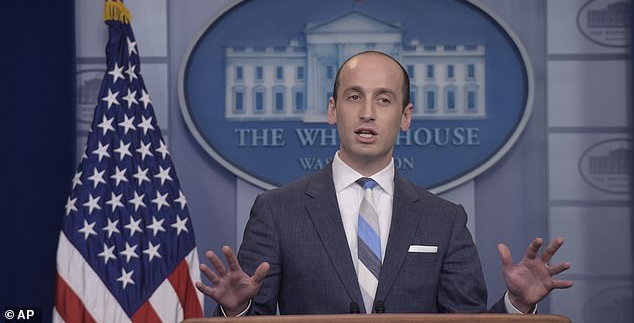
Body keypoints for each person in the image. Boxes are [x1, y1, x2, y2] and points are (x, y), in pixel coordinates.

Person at [196, 50, 573, 316]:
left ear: (405, 116)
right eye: (354, 96)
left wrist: (517, 305)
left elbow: (467, 321)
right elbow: (250, 320)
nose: (367, 112)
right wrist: (237, 310)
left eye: (385, 100)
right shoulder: (277, 211)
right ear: (332, 110)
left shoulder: (445, 220)